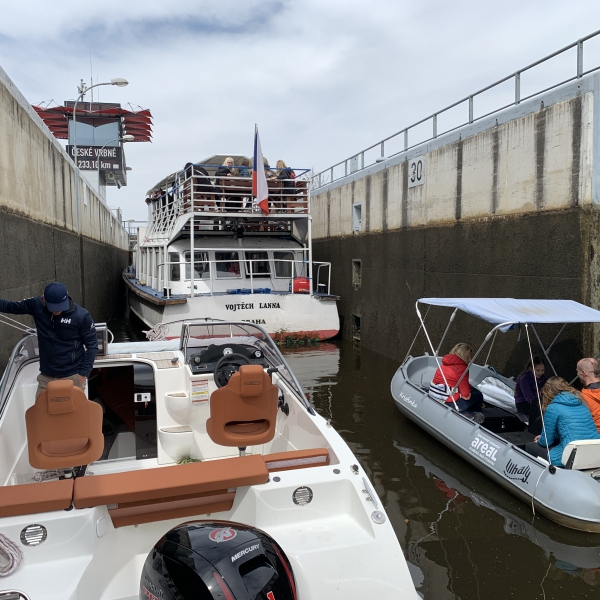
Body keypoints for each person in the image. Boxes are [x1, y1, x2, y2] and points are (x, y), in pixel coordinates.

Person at [0, 282, 98, 398]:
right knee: (40, 414)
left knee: (70, 415)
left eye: (60, 306)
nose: (57, 311)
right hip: (46, 376)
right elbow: (10, 306)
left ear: (67, 296)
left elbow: (92, 345)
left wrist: (83, 375)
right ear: (44, 298)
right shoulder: (36, 305)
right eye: (53, 307)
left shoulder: (81, 316)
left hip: (72, 375)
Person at [525, 376, 600, 466]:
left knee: (530, 447)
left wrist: (540, 439)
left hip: (572, 454)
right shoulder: (582, 402)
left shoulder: (553, 408)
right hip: (594, 451)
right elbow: (570, 428)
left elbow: (546, 442)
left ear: (548, 392)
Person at [429, 343, 484, 417]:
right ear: (464, 356)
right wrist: (466, 393)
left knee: (470, 390)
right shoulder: (462, 369)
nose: (470, 360)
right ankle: (474, 414)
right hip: (447, 403)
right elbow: (466, 395)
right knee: (478, 395)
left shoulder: (444, 364)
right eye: (468, 357)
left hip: (434, 395)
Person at [577, 357, 600, 433]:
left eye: (578, 371)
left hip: (594, 437)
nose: (577, 374)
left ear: (584, 373)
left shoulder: (583, 396)